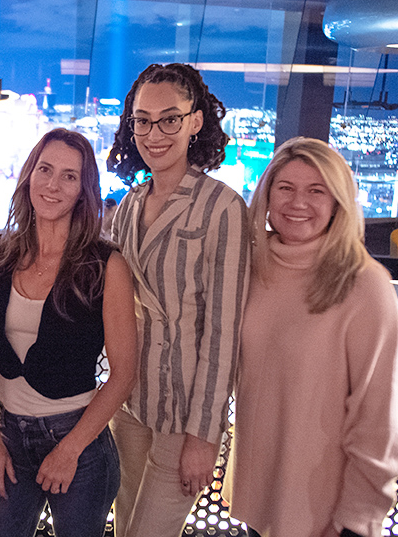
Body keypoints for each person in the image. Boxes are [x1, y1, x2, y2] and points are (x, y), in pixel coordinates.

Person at [224, 136, 398, 537]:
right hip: (261, 503)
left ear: (338, 201)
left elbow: (380, 419)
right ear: (267, 196)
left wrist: (356, 520)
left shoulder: (363, 285)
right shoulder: (252, 270)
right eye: (285, 188)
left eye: (316, 191)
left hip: (329, 515)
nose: (297, 203)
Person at [105, 63, 250, 537]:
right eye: (142, 120)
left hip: (185, 412)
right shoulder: (128, 206)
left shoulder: (222, 206)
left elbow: (224, 330)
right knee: (124, 526)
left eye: (169, 119)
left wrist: (205, 437)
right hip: (128, 404)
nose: (154, 133)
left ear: (195, 121)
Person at [0, 128, 137, 537]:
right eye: (45, 169)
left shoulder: (105, 265)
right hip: (10, 435)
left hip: (79, 440)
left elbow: (123, 374)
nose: (52, 184)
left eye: (69, 176)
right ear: (29, 174)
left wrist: (70, 449)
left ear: (84, 191)